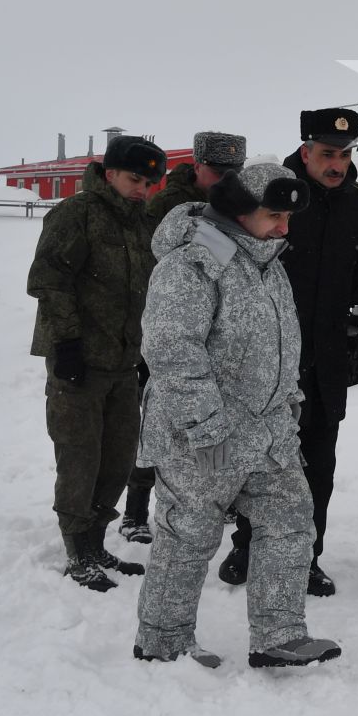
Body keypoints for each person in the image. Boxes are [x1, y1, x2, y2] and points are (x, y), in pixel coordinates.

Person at [133, 161, 341, 669]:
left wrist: (288, 412)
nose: (284, 228)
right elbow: (173, 355)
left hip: (267, 435)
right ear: (238, 212)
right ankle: (163, 641)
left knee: (292, 523)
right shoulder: (190, 266)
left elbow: (282, 348)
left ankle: (279, 634)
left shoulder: (266, 264)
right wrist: (207, 432)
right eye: (274, 216)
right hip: (204, 437)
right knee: (190, 537)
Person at [219, 109, 358, 596]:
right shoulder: (272, 194)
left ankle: (305, 558)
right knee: (263, 459)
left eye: (344, 154)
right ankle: (248, 545)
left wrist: (357, 318)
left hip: (327, 358)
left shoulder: (356, 204)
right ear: (304, 151)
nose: (337, 164)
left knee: (318, 464)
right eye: (326, 154)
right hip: (271, 357)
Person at [26, 133, 167, 591]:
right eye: (134, 179)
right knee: (80, 458)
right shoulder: (78, 213)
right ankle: (77, 550)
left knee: (119, 458)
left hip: (123, 363)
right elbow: (49, 280)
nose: (142, 189)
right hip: (80, 364)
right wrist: (65, 343)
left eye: (150, 183)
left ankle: (96, 542)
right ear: (110, 174)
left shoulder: (140, 223)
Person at [120, 130, 247, 544]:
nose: (226, 178)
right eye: (217, 171)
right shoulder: (165, 206)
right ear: (197, 167)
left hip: (212, 332)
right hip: (163, 327)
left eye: (234, 171)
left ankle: (211, 500)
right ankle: (136, 511)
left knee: (210, 418)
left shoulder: (235, 205)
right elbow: (144, 267)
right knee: (158, 421)